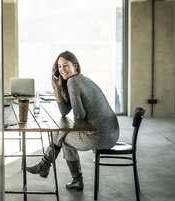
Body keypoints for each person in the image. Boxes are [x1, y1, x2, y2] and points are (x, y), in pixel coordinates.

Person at [26, 50, 119, 191]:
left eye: (66, 65)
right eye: (59, 66)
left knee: (61, 135)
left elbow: (79, 115)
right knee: (62, 131)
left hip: (100, 136)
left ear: (75, 65)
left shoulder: (73, 82)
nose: (62, 70)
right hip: (112, 133)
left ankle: (49, 167)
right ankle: (47, 166)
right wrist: (57, 88)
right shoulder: (82, 79)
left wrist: (71, 116)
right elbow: (64, 112)